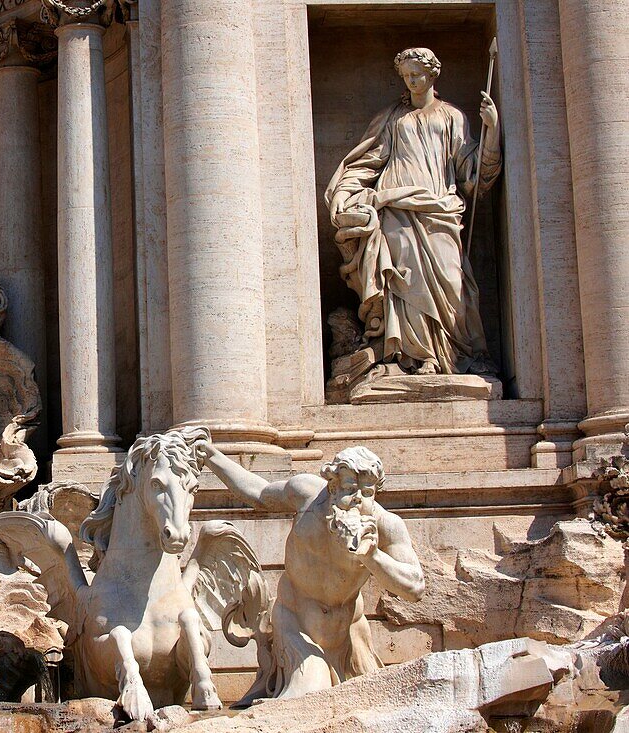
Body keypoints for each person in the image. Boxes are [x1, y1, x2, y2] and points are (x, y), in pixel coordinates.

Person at [197, 441, 424, 700]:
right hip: (297, 626)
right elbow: (258, 493)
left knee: (371, 704)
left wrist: (372, 556)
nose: (359, 499)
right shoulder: (306, 495)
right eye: (351, 489)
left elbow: (415, 587)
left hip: (349, 634)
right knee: (310, 694)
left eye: (368, 492)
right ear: (333, 486)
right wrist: (212, 456)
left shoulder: (386, 526)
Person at [325, 47, 501, 376]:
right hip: (396, 208)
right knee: (405, 281)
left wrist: (491, 131)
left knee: (451, 279)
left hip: (439, 210)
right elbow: (367, 161)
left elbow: (475, 173)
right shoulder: (394, 118)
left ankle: (450, 353)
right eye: (406, 77)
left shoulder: (453, 117)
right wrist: (346, 190)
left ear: (433, 74)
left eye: (417, 74)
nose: (411, 81)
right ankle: (416, 356)